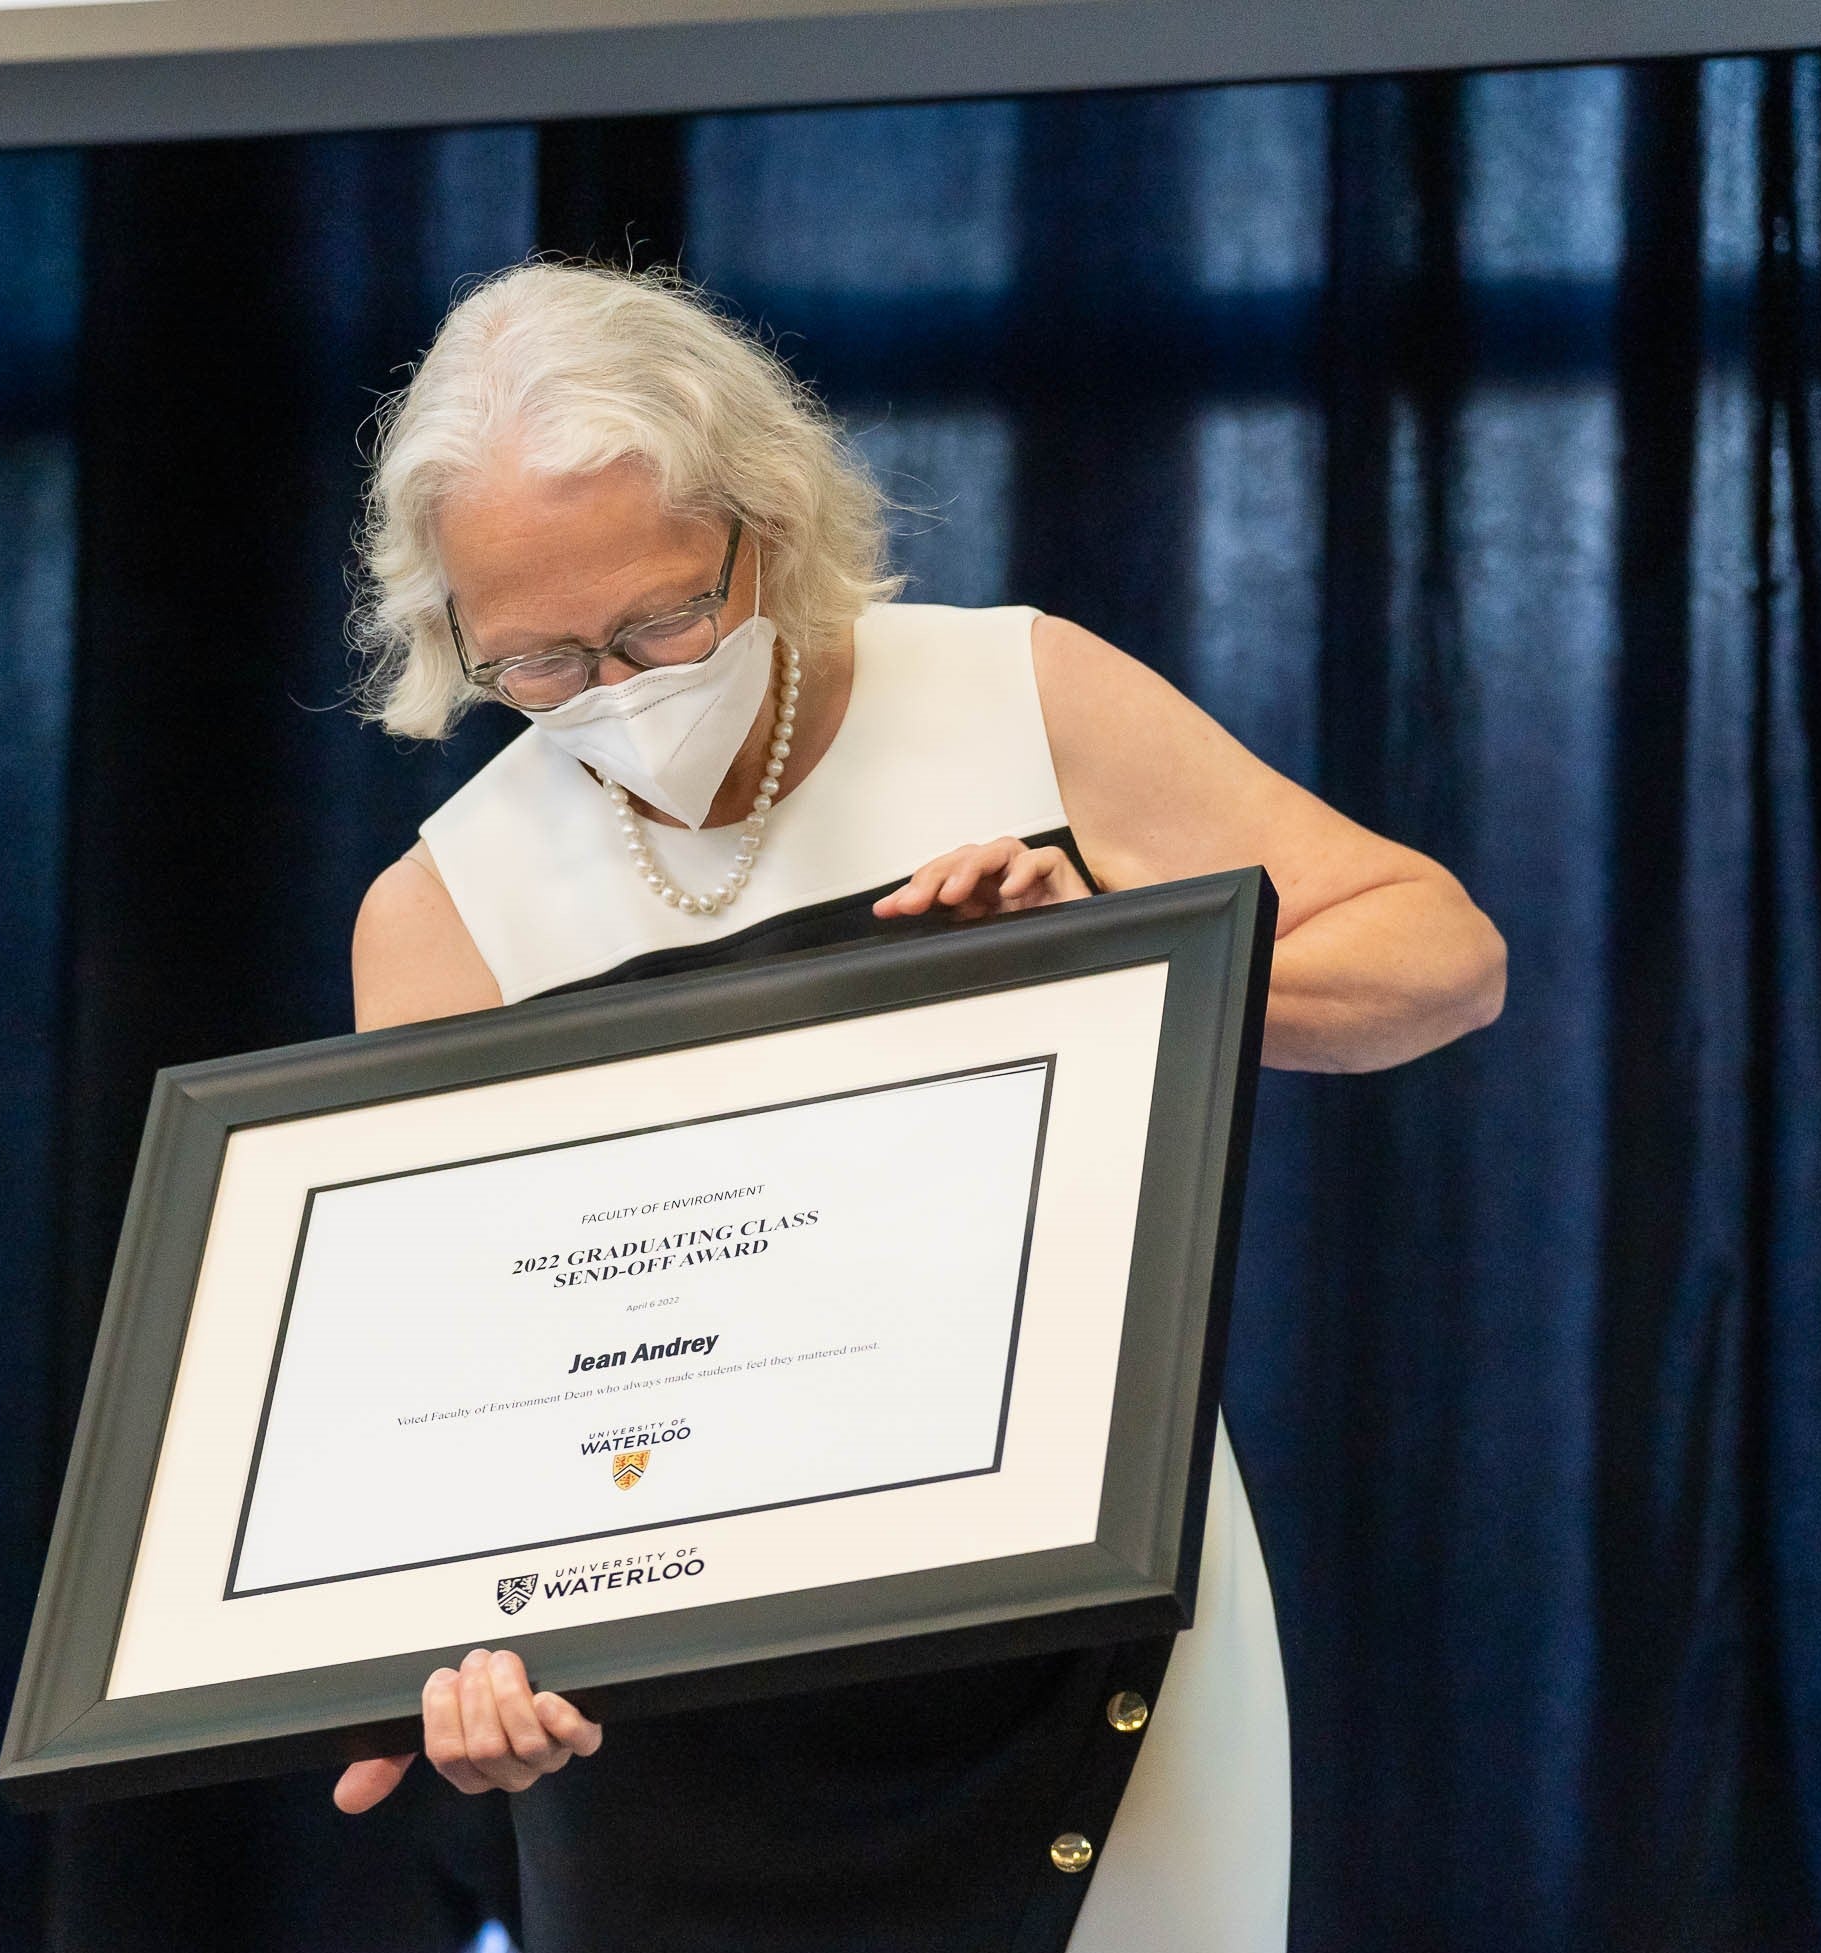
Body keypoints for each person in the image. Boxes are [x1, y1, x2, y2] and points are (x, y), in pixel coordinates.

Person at [331, 263, 1506, 1951]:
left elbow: (1440, 956)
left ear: (766, 517)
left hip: (1071, 1602)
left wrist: (1120, 969)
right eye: (533, 659)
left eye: (659, 623)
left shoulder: (1013, 693)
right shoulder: (437, 909)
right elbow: (462, 1383)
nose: (610, 689)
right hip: (673, 1688)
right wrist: (455, 1650)